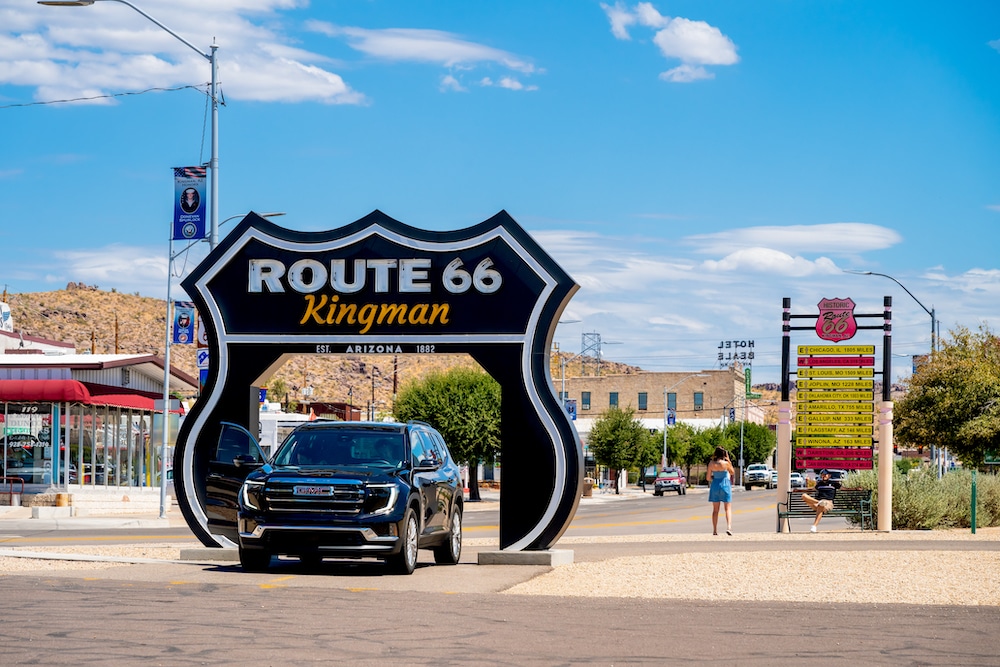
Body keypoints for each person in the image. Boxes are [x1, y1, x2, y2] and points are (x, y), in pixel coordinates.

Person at [707, 446, 735, 535]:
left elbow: (708, 478)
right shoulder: (726, 464)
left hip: (715, 485)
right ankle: (729, 527)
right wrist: (729, 460)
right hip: (725, 484)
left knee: (715, 510)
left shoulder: (711, 463)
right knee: (727, 508)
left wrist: (714, 478)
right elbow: (732, 472)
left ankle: (715, 530)